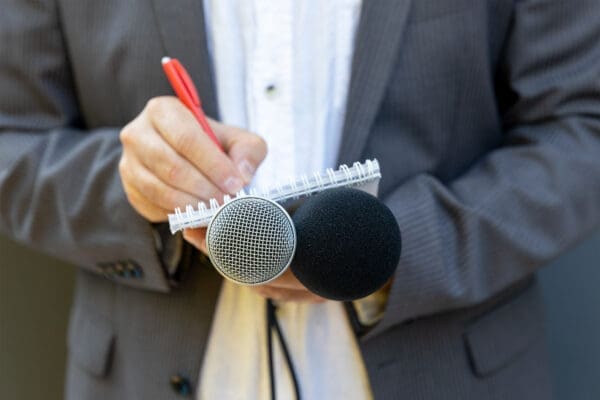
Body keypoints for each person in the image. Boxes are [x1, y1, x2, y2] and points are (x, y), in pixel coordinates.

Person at [1, 0, 599, 399]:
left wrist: (390, 249)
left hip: (445, 371)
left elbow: (582, 123)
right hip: (148, 370)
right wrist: (132, 184)